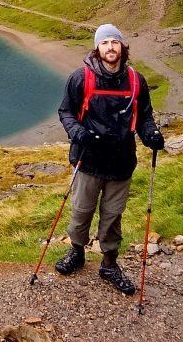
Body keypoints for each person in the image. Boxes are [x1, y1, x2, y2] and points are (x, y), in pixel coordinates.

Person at [55, 23, 165, 295]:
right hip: (88, 160)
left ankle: (109, 263)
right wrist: (79, 133)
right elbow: (66, 112)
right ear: (97, 48)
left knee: (112, 215)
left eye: (115, 42)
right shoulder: (80, 78)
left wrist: (150, 133)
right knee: (81, 211)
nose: (110, 47)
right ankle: (77, 252)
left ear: (122, 47)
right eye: (105, 43)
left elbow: (145, 116)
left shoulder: (136, 80)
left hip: (121, 162)